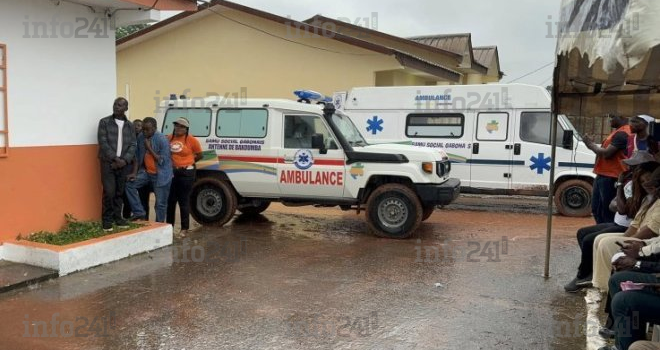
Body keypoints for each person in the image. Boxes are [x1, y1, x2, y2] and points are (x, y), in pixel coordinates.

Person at [564, 156, 659, 292]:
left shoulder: (644, 192)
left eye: (634, 166)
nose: (630, 169)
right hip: (627, 227)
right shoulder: (642, 193)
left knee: (596, 240)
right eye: (642, 180)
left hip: (637, 234)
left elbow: (623, 210)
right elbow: (616, 208)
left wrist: (627, 241)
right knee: (587, 235)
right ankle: (591, 275)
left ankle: (595, 280)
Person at [592, 166, 660, 291]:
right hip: (644, 240)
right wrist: (625, 239)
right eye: (643, 182)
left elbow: (651, 231)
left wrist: (630, 243)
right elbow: (634, 224)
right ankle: (600, 283)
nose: (647, 185)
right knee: (598, 238)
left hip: (647, 243)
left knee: (604, 243)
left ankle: (605, 285)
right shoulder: (647, 199)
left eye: (650, 181)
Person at [583, 115, 632, 224]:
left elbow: (606, 154)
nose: (610, 119)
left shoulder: (623, 133)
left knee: (606, 212)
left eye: (612, 116)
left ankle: (604, 235)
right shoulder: (617, 132)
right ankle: (600, 233)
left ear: (622, 116)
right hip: (604, 175)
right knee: (597, 209)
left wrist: (590, 144)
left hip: (612, 177)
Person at [97, 97, 136, 232]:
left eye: (120, 105)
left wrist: (124, 161)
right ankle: (106, 221)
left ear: (126, 108)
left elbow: (133, 144)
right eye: (115, 104)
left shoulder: (130, 125)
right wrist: (114, 159)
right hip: (108, 163)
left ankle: (117, 218)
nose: (116, 107)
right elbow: (103, 142)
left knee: (119, 192)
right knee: (109, 192)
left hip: (123, 164)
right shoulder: (104, 122)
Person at [125, 117, 173, 222]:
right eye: (143, 129)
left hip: (161, 175)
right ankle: (139, 212)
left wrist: (149, 148)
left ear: (154, 128)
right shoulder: (141, 136)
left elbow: (162, 161)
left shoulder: (162, 140)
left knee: (160, 204)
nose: (144, 132)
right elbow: (137, 157)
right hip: (147, 173)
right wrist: (134, 173)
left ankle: (159, 225)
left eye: (148, 129)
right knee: (129, 185)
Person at [166, 117, 202, 237]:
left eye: (181, 126)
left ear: (186, 129)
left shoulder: (192, 140)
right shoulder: (169, 138)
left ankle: (184, 228)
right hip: (172, 173)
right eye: (176, 125)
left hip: (186, 174)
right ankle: (169, 226)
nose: (178, 128)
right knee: (170, 201)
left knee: (183, 200)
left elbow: (199, 155)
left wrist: (188, 162)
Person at [122, 119, 151, 219]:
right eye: (135, 125)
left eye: (139, 125)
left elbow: (138, 158)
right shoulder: (129, 139)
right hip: (132, 171)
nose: (137, 127)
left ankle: (144, 218)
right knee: (127, 198)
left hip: (142, 172)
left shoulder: (144, 138)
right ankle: (127, 218)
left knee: (144, 198)